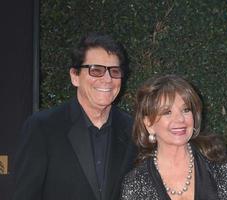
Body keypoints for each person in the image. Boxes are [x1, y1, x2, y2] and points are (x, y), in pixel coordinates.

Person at [12, 32, 136, 200]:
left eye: (115, 71)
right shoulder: (42, 128)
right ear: (75, 76)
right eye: (96, 70)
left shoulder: (133, 130)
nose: (107, 79)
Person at [120, 74, 227, 200]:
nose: (180, 119)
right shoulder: (136, 182)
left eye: (186, 110)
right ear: (149, 124)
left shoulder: (217, 164)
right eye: (167, 112)